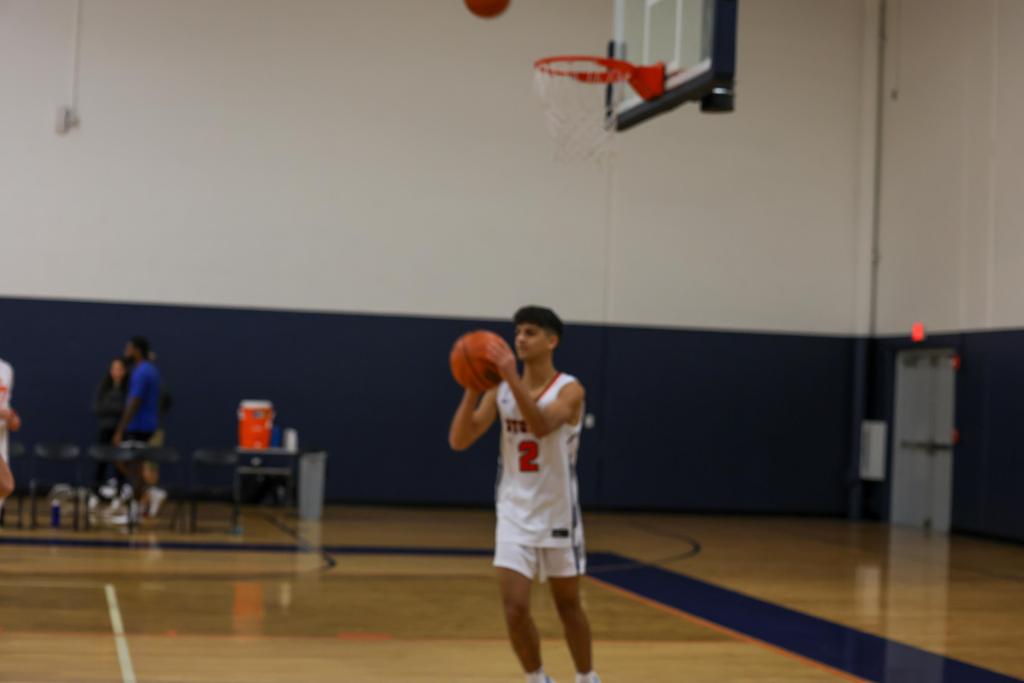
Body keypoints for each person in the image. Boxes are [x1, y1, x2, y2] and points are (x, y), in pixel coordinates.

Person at [448, 306, 599, 683]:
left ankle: (586, 677)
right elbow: (460, 440)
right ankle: (537, 678)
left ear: (552, 341)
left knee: (568, 606)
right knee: (514, 609)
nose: (520, 339)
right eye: (517, 332)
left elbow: (541, 425)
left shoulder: (570, 389)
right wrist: (473, 385)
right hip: (514, 511)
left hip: (558, 513)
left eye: (530, 332)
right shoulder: (500, 389)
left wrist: (510, 378)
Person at [113, 336, 166, 519]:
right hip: (146, 426)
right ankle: (148, 494)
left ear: (137, 350)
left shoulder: (142, 372)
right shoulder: (149, 369)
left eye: (129, 348)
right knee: (129, 464)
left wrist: (120, 429)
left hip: (139, 427)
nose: (126, 351)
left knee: (132, 465)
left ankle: (135, 511)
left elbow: (135, 401)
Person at [91, 357, 128, 499]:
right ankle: (96, 491)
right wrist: (115, 409)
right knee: (101, 461)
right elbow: (98, 408)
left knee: (120, 462)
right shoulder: (104, 386)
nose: (116, 372)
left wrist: (112, 409)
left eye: (119, 369)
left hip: (121, 431)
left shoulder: (128, 389)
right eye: (113, 368)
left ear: (124, 371)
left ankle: (120, 492)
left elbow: (126, 409)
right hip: (105, 429)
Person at [0, 357, 22, 505]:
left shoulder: (6, 369)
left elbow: (5, 404)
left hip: (2, 438)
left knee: (5, 486)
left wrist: (11, 418)